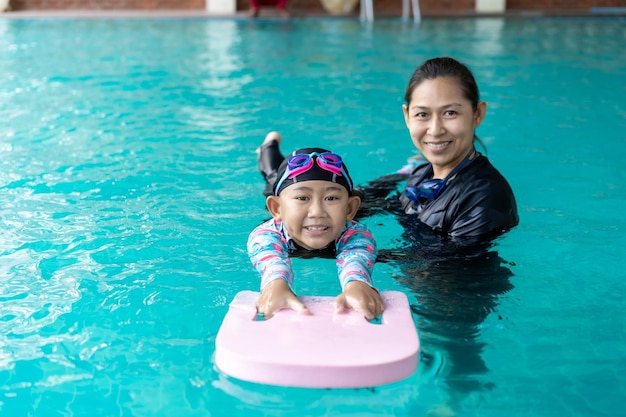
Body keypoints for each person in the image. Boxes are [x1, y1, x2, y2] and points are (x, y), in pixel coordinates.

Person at [357, 56, 519, 243]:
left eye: (450, 113)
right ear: (407, 116)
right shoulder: (420, 175)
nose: (435, 130)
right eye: (422, 114)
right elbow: (386, 208)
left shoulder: (485, 198)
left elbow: (445, 268)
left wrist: (344, 254)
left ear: (478, 114)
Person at [248, 132, 384, 321]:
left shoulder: (356, 234)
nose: (317, 212)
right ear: (276, 208)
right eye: (302, 198)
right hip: (283, 195)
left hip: (345, 208)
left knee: (378, 194)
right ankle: (268, 146)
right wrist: (275, 284)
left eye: (331, 198)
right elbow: (272, 262)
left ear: (350, 208)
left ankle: (405, 171)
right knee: (272, 174)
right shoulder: (265, 235)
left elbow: (357, 256)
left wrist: (357, 284)